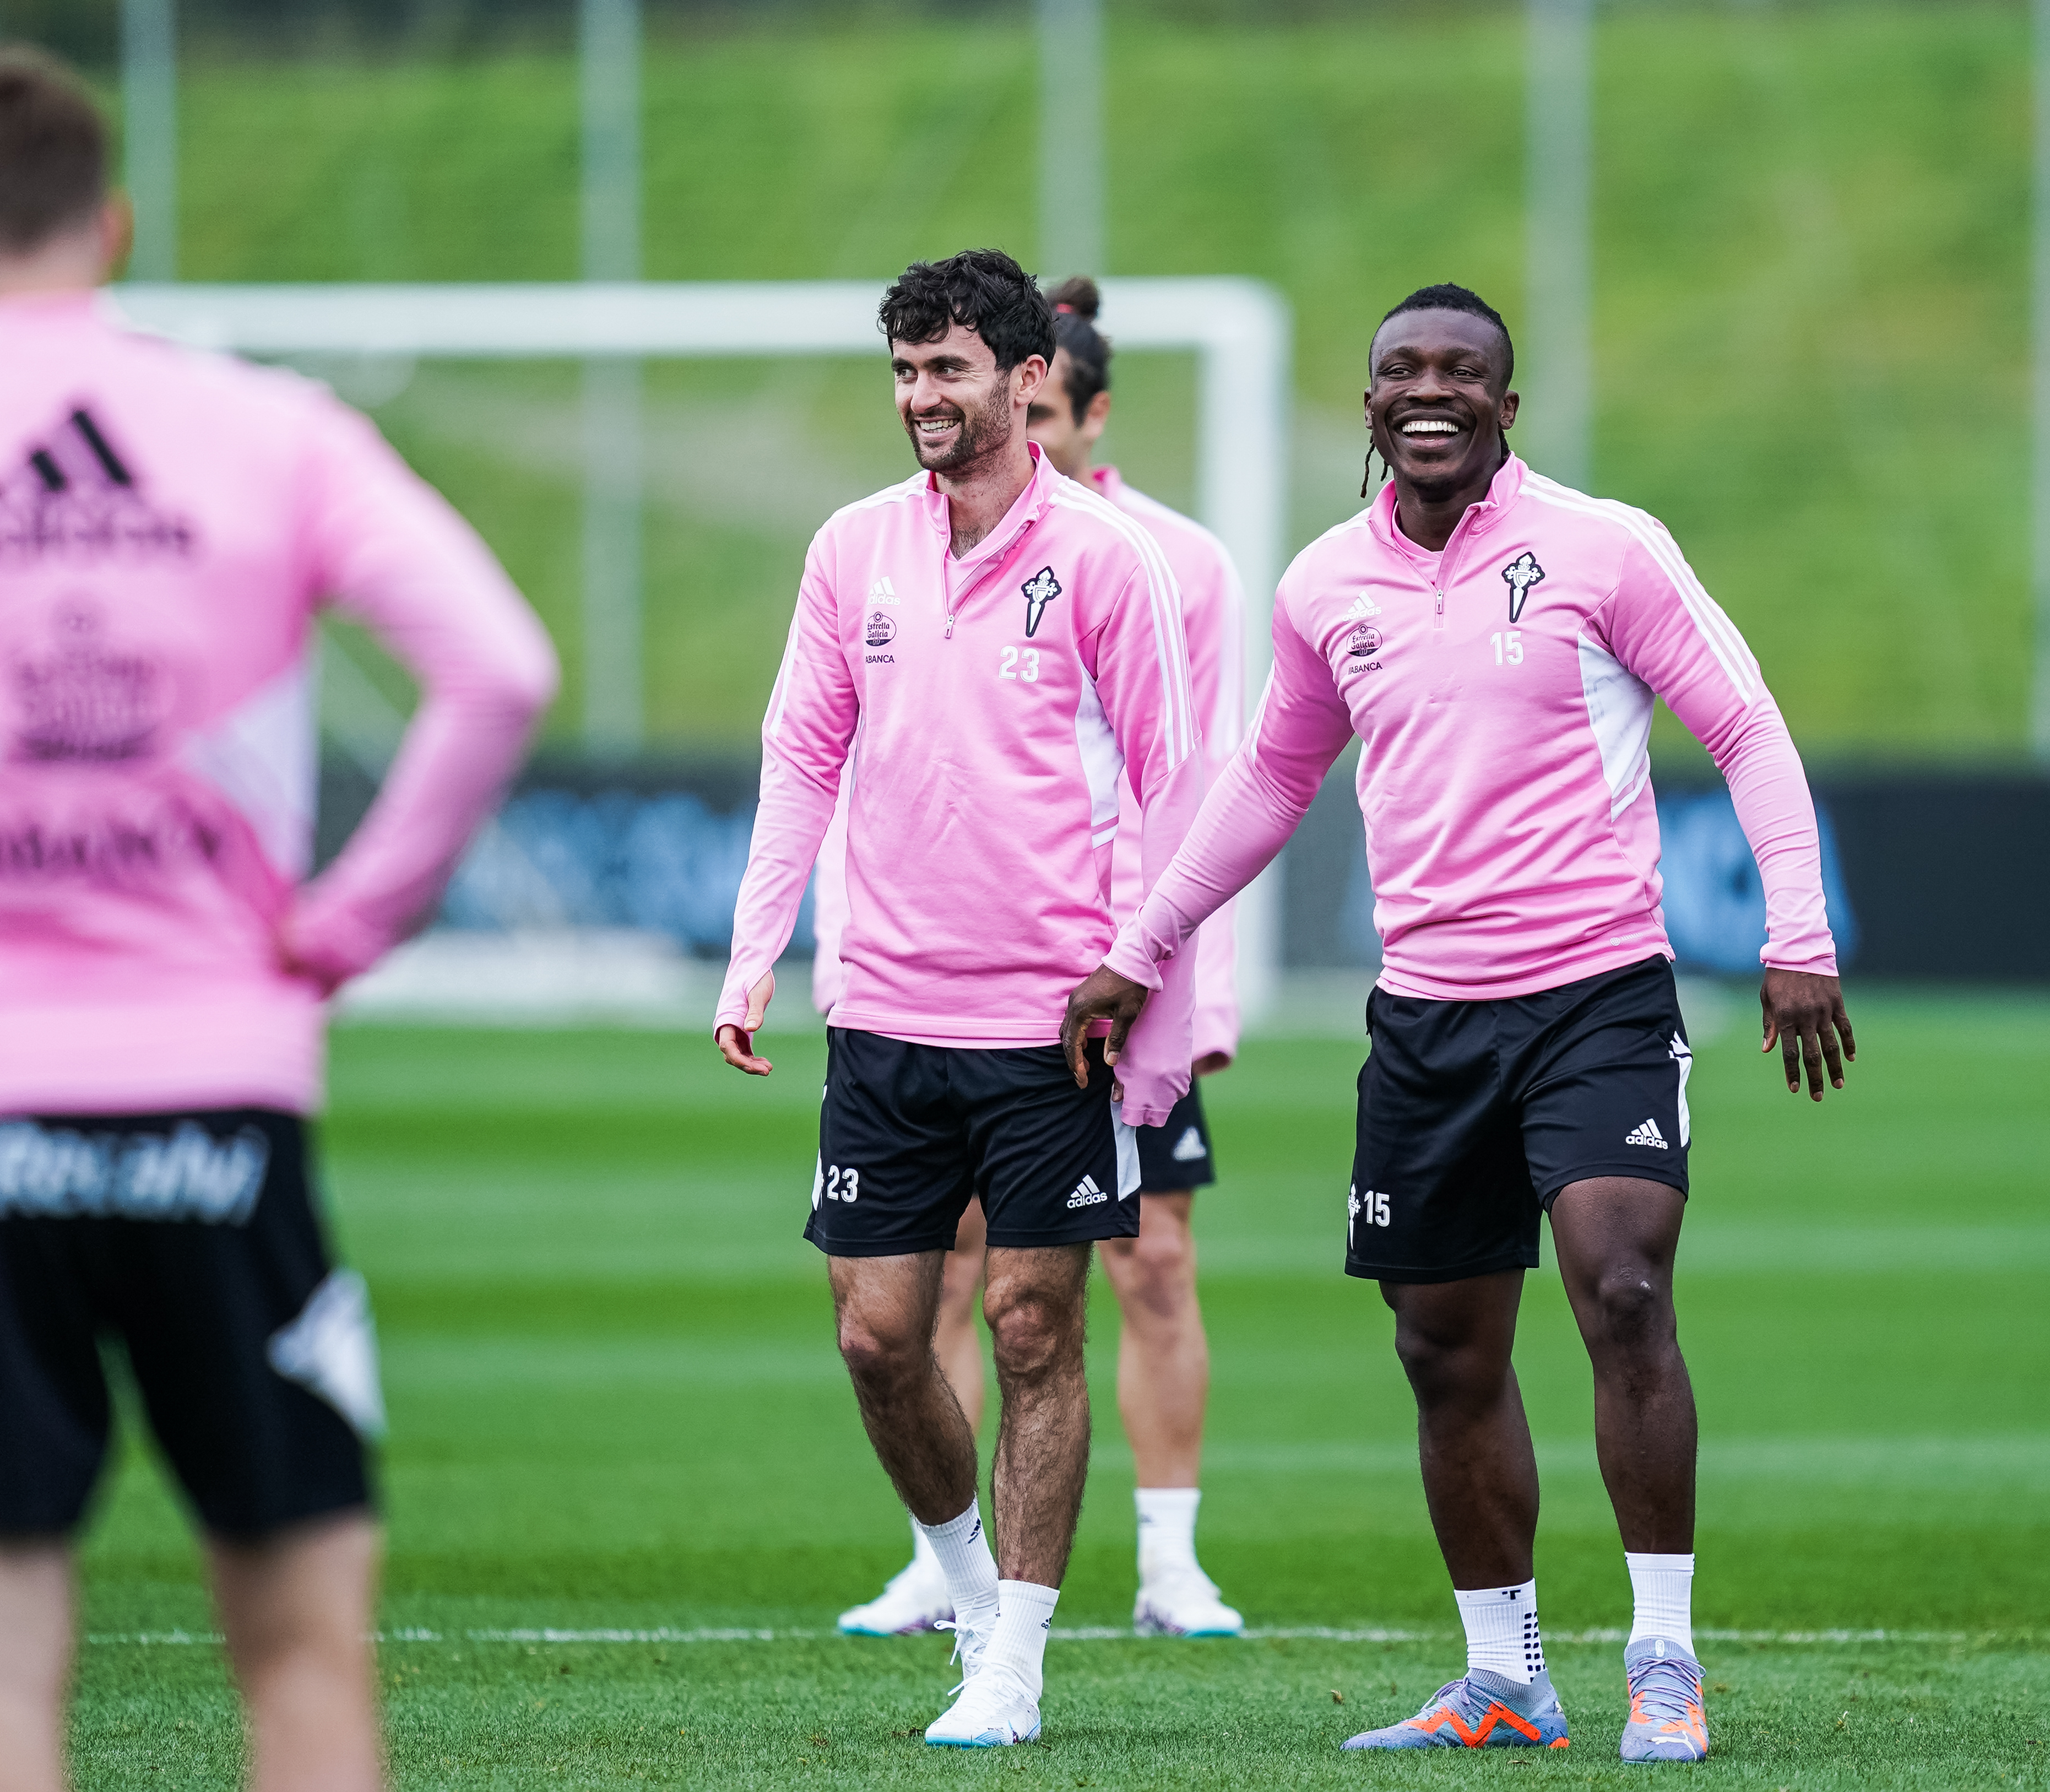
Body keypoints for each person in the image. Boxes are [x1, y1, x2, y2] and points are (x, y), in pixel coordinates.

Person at [0, 49, 556, 1792]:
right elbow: (500, 668)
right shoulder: (270, 428)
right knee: (305, 1660)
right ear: (111, 221)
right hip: (221, 1095)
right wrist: (344, 925)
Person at [1061, 283, 1856, 1764]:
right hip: (1426, 1021)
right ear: (1368, 402)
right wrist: (1141, 943)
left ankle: (1665, 1656)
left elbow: (1743, 723)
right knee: (1444, 1346)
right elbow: (1267, 783)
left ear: (1508, 400)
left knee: (1621, 1285)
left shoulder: (1603, 548)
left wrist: (1794, 938)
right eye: (1398, 370)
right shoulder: (1323, 587)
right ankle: (1505, 1673)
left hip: (1596, 994)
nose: (1427, 390)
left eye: (1460, 371)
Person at [715, 248, 1205, 1748]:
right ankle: (968, 1589)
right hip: (881, 1013)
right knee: (876, 1336)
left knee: (1035, 1325)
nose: (924, 397)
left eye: (950, 369)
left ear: (1030, 377)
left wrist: (1156, 1008)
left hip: (1052, 1025)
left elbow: (1178, 788)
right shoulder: (851, 548)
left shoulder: (1112, 563)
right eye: (906, 372)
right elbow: (800, 753)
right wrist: (756, 952)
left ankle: (1018, 1663)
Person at [834, 275, 1245, 1643]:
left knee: (1145, 1266)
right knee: (942, 1288)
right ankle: (944, 1564)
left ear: (1067, 403)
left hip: (1116, 986)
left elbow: (1194, 788)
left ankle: (1168, 1558)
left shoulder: (1166, 560)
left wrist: (1191, 992)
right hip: (949, 986)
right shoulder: (890, 549)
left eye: (1056, 412)